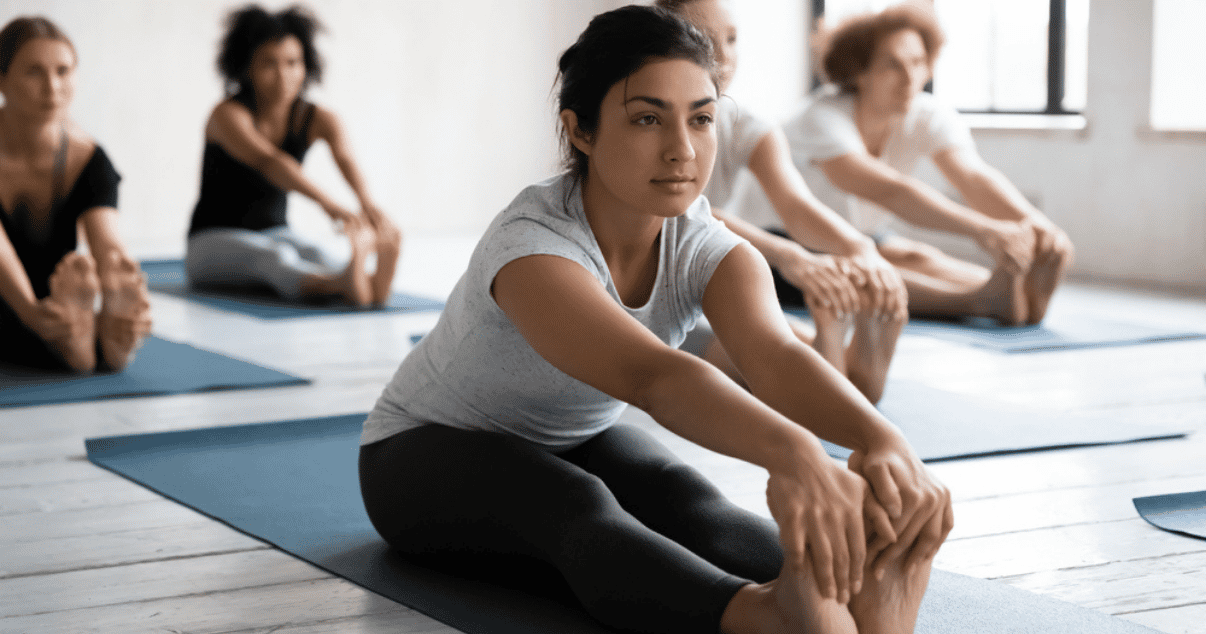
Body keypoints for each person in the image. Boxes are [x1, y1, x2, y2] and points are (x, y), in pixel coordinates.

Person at [359, 6, 951, 633]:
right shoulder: (534, 250)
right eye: (647, 119)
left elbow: (774, 355)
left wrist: (882, 441)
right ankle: (760, 616)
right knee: (576, 505)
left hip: (572, 436)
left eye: (701, 119)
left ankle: (849, 582)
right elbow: (655, 377)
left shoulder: (704, 244)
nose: (682, 149)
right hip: (418, 456)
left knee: (685, 498)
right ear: (580, 130)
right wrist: (797, 453)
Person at [657, 0, 906, 404]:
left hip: (710, 282)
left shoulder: (745, 124)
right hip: (656, 292)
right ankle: (831, 346)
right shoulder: (647, 117)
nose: (723, 55)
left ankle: (843, 339)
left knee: (834, 373)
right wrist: (789, 256)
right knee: (799, 373)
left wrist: (863, 250)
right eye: (703, 39)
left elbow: (795, 204)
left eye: (732, 39)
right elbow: (683, 212)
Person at [780, 1, 1073, 325]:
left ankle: (1016, 290)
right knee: (864, 272)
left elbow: (973, 177)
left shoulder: (927, 113)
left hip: (856, 235)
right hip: (782, 241)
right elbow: (890, 191)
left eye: (918, 62)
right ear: (858, 72)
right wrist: (984, 231)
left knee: (918, 257)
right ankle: (979, 300)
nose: (910, 77)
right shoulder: (820, 118)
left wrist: (1037, 227)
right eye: (892, 65)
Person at [186, 4, 401, 307]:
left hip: (277, 231)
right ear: (247, 67)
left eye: (292, 63)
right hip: (209, 244)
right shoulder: (227, 116)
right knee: (275, 258)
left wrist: (367, 205)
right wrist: (329, 204)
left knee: (317, 253)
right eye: (268, 64)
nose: (283, 75)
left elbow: (345, 158)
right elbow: (271, 162)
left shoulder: (318, 118)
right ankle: (344, 285)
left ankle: (369, 285)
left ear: (306, 65)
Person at [0, 16, 151, 373]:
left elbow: (106, 239)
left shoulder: (88, 159)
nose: (52, 87)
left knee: (105, 280)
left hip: (53, 293)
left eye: (63, 71)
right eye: (34, 72)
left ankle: (93, 333)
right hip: (14, 294)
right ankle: (74, 340)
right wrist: (29, 312)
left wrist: (118, 281)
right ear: (3, 80)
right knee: (26, 321)